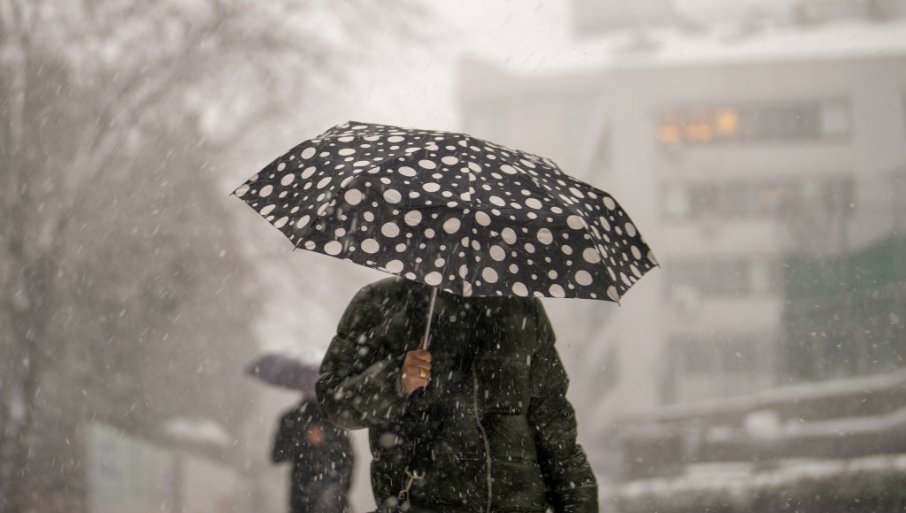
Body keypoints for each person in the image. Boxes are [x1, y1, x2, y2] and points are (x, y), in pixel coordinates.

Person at [317, 277, 598, 513]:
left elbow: (554, 426)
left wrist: (577, 504)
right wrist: (395, 380)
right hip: (422, 502)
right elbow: (335, 401)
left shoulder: (523, 308)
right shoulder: (383, 302)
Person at [272, 396, 354, 513]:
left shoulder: (335, 420)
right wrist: (304, 438)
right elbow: (277, 455)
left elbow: (347, 459)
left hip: (328, 497)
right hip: (304, 497)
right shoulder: (293, 418)